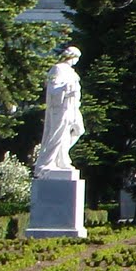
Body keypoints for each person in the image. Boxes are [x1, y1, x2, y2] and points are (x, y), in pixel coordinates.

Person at [36, 46, 85, 175]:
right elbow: (52, 90)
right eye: (76, 57)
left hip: (73, 107)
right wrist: (66, 89)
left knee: (79, 130)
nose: (77, 60)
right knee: (57, 135)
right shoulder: (58, 69)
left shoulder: (71, 72)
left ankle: (62, 155)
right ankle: (48, 162)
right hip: (61, 107)